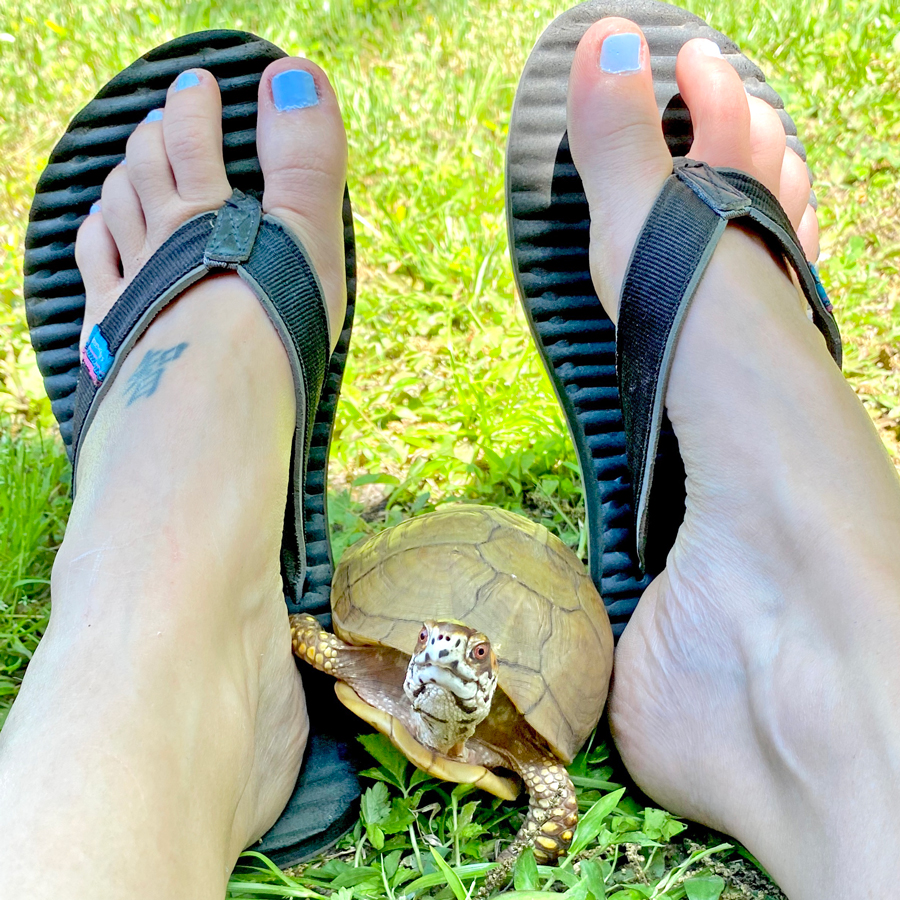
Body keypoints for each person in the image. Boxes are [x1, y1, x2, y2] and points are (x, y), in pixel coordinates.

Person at [1, 17, 899, 900]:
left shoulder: (489, 713)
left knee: (121, 664)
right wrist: (341, 648)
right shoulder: (389, 664)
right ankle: (818, 607)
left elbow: (538, 771)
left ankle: (169, 649)